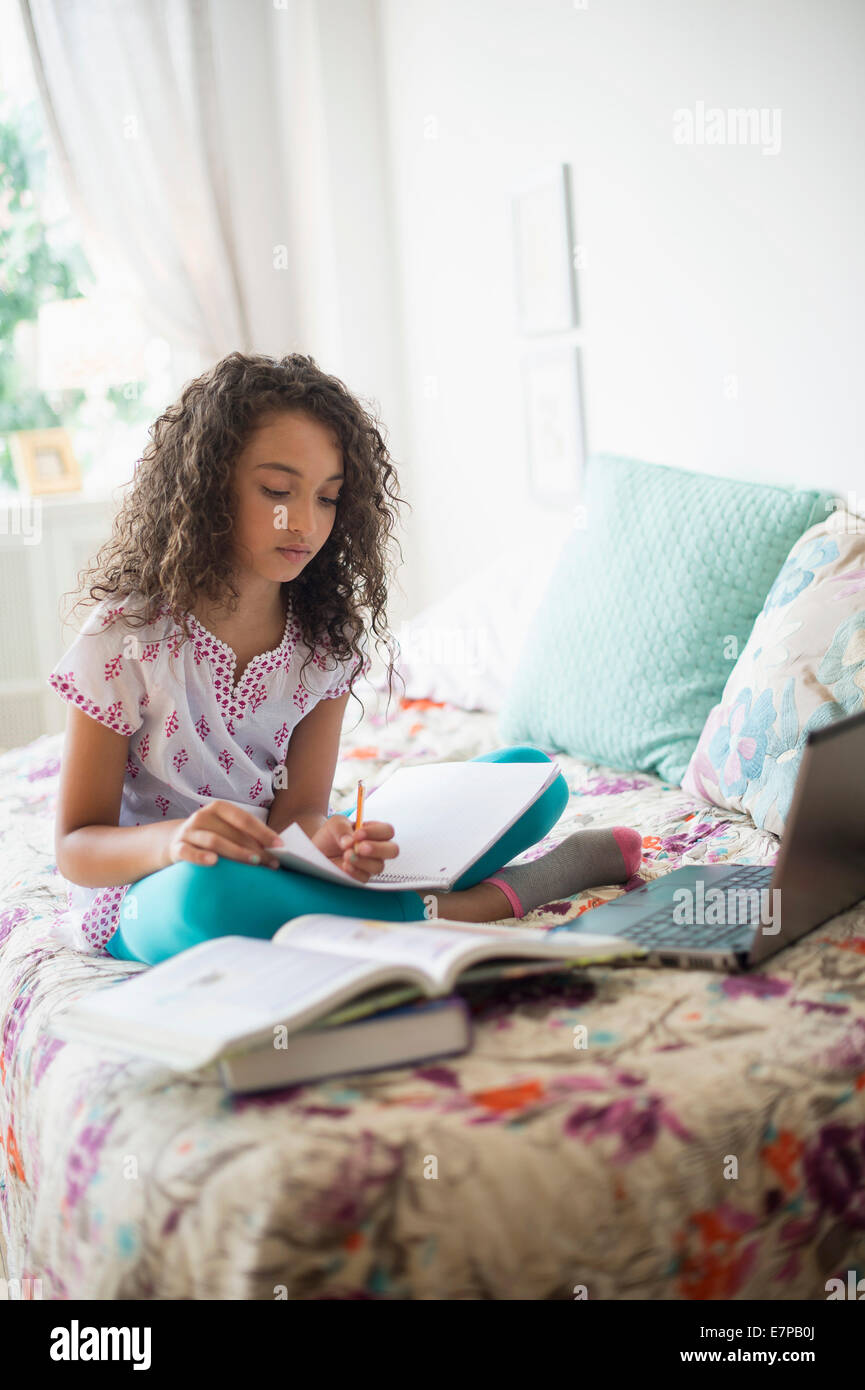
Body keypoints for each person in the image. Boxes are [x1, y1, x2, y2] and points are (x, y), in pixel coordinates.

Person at [49, 351, 641, 966]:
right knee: (211, 894)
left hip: (281, 871)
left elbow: (298, 815)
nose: (304, 521)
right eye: (278, 490)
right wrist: (175, 841)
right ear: (207, 487)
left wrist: (327, 843)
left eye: (328, 499)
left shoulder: (324, 642)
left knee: (528, 775)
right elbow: (76, 847)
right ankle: (493, 899)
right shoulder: (126, 637)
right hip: (150, 891)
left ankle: (364, 898)